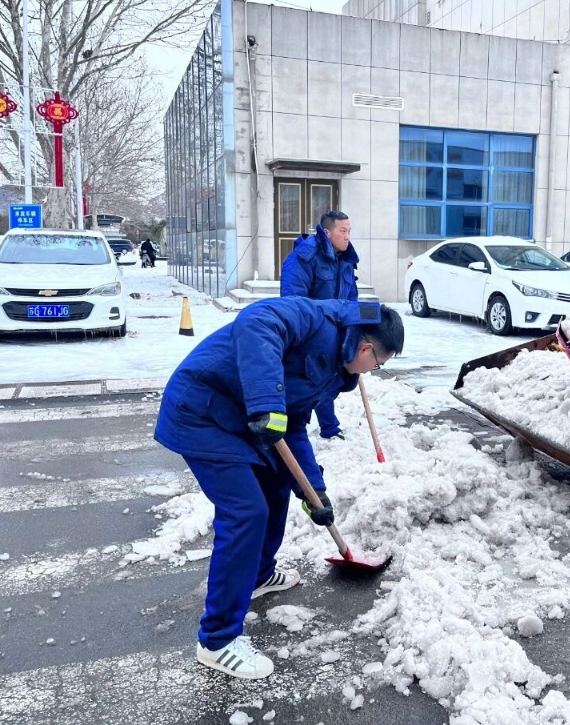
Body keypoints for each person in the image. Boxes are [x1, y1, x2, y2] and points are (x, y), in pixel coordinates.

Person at [154, 297, 403, 680]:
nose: (373, 371)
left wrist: (313, 491)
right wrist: (267, 402)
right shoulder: (317, 321)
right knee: (246, 512)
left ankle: (258, 575)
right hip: (202, 410)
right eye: (378, 364)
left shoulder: (336, 369)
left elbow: (294, 425)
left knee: (276, 487)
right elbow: (256, 320)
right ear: (366, 348)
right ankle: (217, 640)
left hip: (240, 420)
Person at [280, 211, 359, 440]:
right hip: (309, 332)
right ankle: (297, 431)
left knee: (329, 378)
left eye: (349, 231)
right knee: (311, 378)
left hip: (335, 331)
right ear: (327, 232)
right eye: (342, 231)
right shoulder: (304, 257)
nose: (347, 237)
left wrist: (355, 325)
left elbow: (351, 299)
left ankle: (328, 427)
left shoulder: (346, 260)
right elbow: (293, 301)